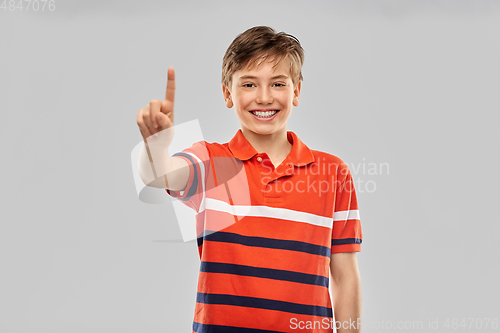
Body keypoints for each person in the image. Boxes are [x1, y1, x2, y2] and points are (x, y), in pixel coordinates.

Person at [137, 26, 363, 333]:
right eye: (249, 84)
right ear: (228, 93)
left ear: (296, 91)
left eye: (278, 83)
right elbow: (159, 175)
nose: (264, 97)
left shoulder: (333, 173)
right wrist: (156, 145)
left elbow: (345, 276)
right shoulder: (210, 163)